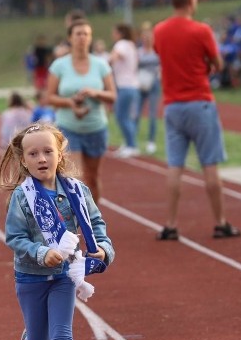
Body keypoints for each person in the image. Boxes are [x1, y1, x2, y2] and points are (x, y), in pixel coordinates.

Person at [0, 122, 115, 340]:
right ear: (23, 160)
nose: (41, 158)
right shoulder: (23, 197)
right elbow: (15, 237)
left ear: (59, 154)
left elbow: (97, 224)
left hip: (63, 276)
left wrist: (102, 248)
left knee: (62, 337)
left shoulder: (77, 191)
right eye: (33, 153)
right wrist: (39, 251)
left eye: (47, 151)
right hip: (31, 278)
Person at [153, 0, 241, 241]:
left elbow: (163, 55)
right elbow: (218, 63)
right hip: (200, 101)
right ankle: (220, 222)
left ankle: (170, 224)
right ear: (191, 1)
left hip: (172, 105)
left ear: (173, 2)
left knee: (174, 167)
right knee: (210, 165)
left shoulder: (159, 30)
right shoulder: (202, 30)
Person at [46, 19, 117, 203]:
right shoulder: (59, 66)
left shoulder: (101, 65)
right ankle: (75, 224)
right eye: (78, 33)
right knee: (74, 179)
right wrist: (70, 102)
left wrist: (95, 93)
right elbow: (50, 97)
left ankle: (94, 222)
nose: (82, 37)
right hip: (68, 128)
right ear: (70, 38)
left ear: (90, 37)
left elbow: (112, 95)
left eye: (86, 33)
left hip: (96, 127)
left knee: (93, 178)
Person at [110, 23, 141, 158]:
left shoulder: (121, 44)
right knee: (126, 116)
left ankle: (132, 145)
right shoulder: (132, 45)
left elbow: (113, 59)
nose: (113, 35)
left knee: (121, 116)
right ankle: (129, 142)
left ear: (120, 33)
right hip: (133, 85)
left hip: (124, 85)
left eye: (115, 32)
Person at [136, 22, 162, 155]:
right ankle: (132, 140)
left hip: (153, 84)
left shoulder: (157, 52)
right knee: (136, 113)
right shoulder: (138, 52)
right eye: (144, 37)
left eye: (149, 37)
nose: (147, 39)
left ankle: (151, 141)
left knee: (152, 114)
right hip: (140, 84)